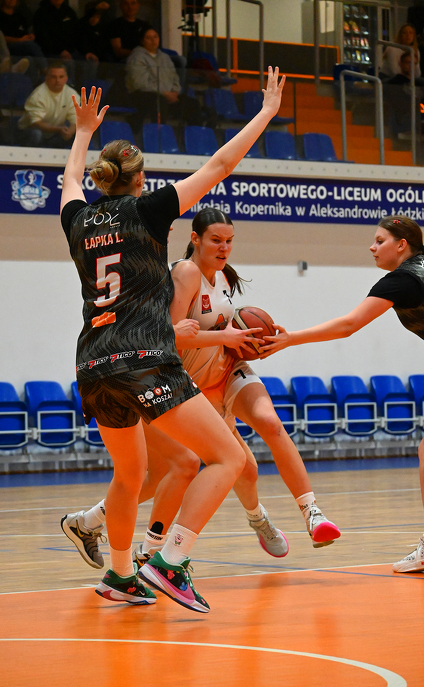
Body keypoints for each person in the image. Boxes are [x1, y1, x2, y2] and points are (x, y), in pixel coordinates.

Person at [60, 67, 285, 613]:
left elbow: (68, 182)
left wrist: (83, 132)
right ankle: (170, 560)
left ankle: (119, 574)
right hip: (144, 358)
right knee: (228, 458)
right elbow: (220, 165)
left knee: (130, 474)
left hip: (92, 364)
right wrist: (265, 113)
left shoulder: (78, 220)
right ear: (140, 180)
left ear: (101, 179)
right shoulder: (149, 209)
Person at [61, 208, 341, 573]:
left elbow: (224, 327)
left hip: (226, 371)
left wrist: (250, 340)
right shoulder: (185, 273)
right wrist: (226, 336)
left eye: (229, 241)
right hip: (186, 381)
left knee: (268, 424)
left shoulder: (222, 276)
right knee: (220, 469)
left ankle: (311, 512)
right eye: (216, 240)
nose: (224, 248)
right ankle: (103, 526)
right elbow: (170, 336)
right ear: (195, 239)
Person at [263, 215, 424, 575]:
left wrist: (290, 339)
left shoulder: (402, 280)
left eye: (380, 240)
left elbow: (349, 325)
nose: (372, 247)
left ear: (401, 245)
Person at [125, 26, 208, 129]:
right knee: (159, 102)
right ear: (142, 41)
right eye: (148, 38)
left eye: (155, 37)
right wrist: (164, 93)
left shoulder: (165, 58)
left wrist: (175, 92)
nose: (153, 40)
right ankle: (159, 134)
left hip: (167, 96)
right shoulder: (137, 57)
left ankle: (195, 136)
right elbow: (140, 83)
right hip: (142, 96)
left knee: (192, 103)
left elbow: (175, 78)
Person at [18, 62, 79, 147]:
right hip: (28, 132)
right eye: (54, 77)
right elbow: (35, 123)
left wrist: (69, 132)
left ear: (66, 79)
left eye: (61, 77)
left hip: (54, 134)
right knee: (36, 134)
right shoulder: (38, 95)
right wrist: (59, 129)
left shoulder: (72, 94)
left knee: (79, 134)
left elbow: (77, 121)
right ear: (46, 78)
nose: (57, 80)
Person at [0, 0, 47, 81]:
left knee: (29, 59)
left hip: (22, 48)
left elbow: (25, 32)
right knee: (30, 45)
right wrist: (19, 40)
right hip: (6, 49)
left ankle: (34, 85)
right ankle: (46, 70)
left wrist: (30, 36)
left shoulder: (19, 15)